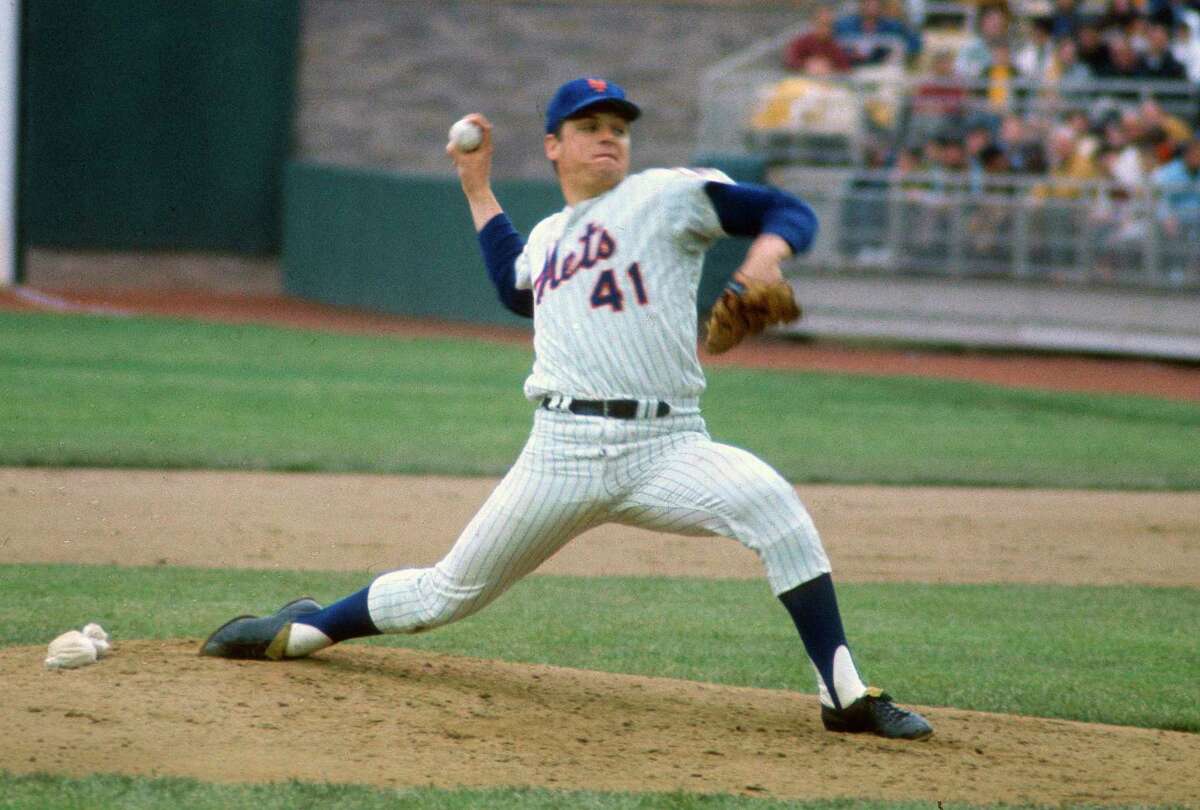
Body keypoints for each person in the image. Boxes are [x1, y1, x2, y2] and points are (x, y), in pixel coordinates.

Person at [197, 76, 934, 741]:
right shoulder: (549, 238)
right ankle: (305, 632)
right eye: (589, 126)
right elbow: (515, 289)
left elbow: (783, 207)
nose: (608, 135)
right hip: (563, 450)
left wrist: (765, 257)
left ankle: (844, 696)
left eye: (618, 125)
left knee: (777, 508)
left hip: (671, 444)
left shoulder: (668, 196)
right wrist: (477, 187)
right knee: (444, 595)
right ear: (554, 147)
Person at [785, 4, 855, 74]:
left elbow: (846, 70)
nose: (825, 29)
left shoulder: (835, 48)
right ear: (814, 23)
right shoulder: (801, 43)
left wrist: (830, 69)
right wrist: (807, 65)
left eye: (828, 25)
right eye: (821, 24)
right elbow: (789, 61)